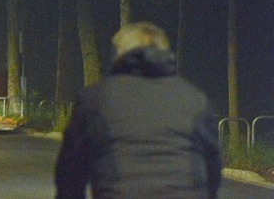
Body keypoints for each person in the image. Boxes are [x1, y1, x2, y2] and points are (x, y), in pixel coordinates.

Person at [55, 21, 222, 199]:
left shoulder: (95, 99)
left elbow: (71, 173)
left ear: (119, 53)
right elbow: (212, 170)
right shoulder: (196, 100)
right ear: (165, 51)